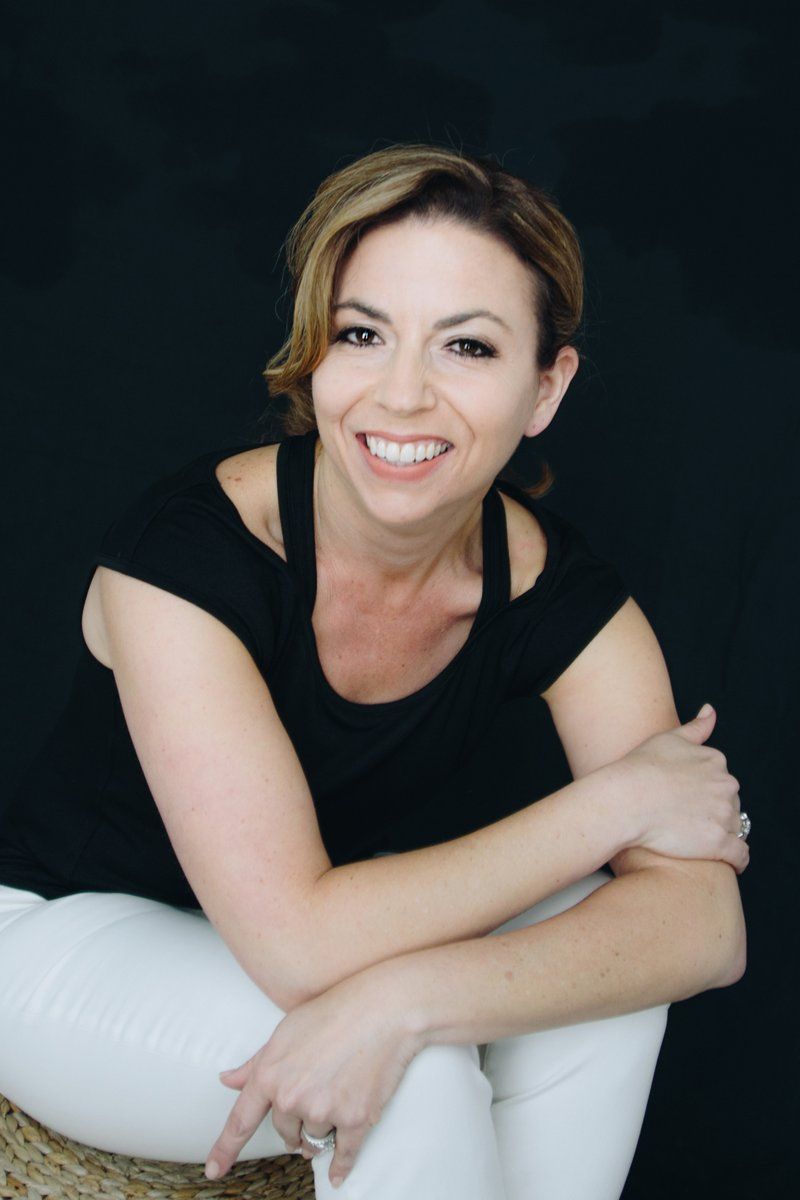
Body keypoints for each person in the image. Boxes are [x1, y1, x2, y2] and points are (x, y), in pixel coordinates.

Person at [0, 143, 749, 1200]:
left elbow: (704, 928)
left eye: (466, 347)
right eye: (362, 334)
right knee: (414, 1078)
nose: (402, 395)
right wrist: (615, 806)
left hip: (329, 944)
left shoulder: (560, 593)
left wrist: (406, 998)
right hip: (64, 942)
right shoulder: (185, 559)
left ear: (545, 387)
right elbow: (299, 947)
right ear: (316, 356)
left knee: (603, 980)